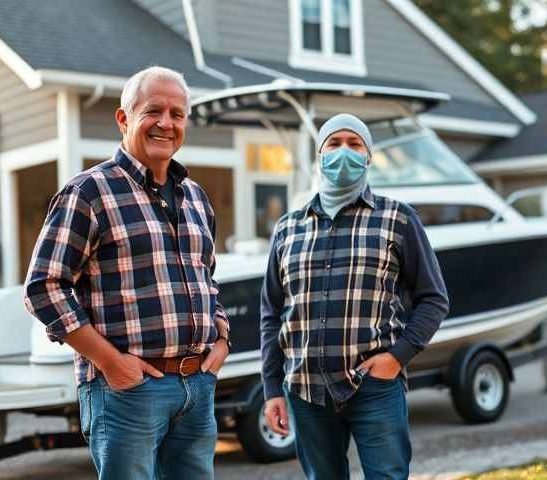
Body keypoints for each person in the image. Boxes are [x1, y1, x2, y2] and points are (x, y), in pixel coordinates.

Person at [24, 66, 230, 480]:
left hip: (197, 384)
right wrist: (112, 364)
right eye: (153, 111)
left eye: (177, 113)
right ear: (124, 118)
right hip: (127, 390)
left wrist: (221, 339)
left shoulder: (196, 198)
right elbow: (43, 287)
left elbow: (206, 277)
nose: (166, 123)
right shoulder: (89, 192)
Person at [260, 114, 449, 479]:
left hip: (373, 387)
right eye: (334, 143)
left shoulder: (398, 219)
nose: (343, 152)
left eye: (354, 143)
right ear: (319, 155)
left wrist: (397, 357)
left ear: (368, 156)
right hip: (305, 390)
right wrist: (272, 388)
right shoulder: (287, 229)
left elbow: (434, 298)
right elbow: (271, 312)